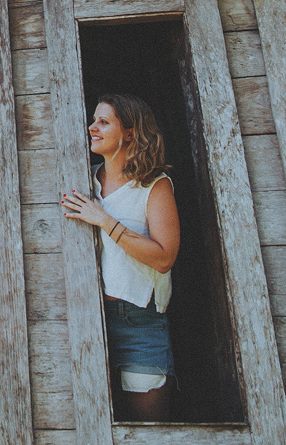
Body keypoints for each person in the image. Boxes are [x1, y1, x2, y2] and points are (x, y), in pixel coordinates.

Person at [60, 92, 180, 421]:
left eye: (103, 122)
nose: (91, 127)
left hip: (138, 321)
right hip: (84, 318)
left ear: (129, 132)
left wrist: (104, 220)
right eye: (93, 120)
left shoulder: (154, 186)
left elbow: (164, 257)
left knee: (148, 430)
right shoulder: (84, 180)